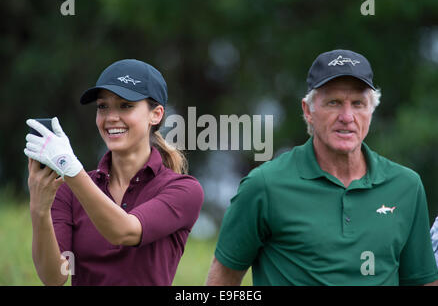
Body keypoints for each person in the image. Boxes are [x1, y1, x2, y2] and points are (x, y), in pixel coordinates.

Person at [206, 49, 438, 286]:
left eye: (358, 103)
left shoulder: (406, 186)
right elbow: (223, 279)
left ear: (371, 111)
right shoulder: (264, 185)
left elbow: (422, 281)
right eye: (334, 103)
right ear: (309, 111)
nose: (347, 116)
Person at [24, 59, 204, 286]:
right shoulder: (69, 189)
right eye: (102, 106)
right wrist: (39, 210)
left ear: (156, 114)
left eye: (126, 105)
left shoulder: (183, 190)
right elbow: (54, 276)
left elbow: (125, 232)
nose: (110, 117)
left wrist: (69, 167)